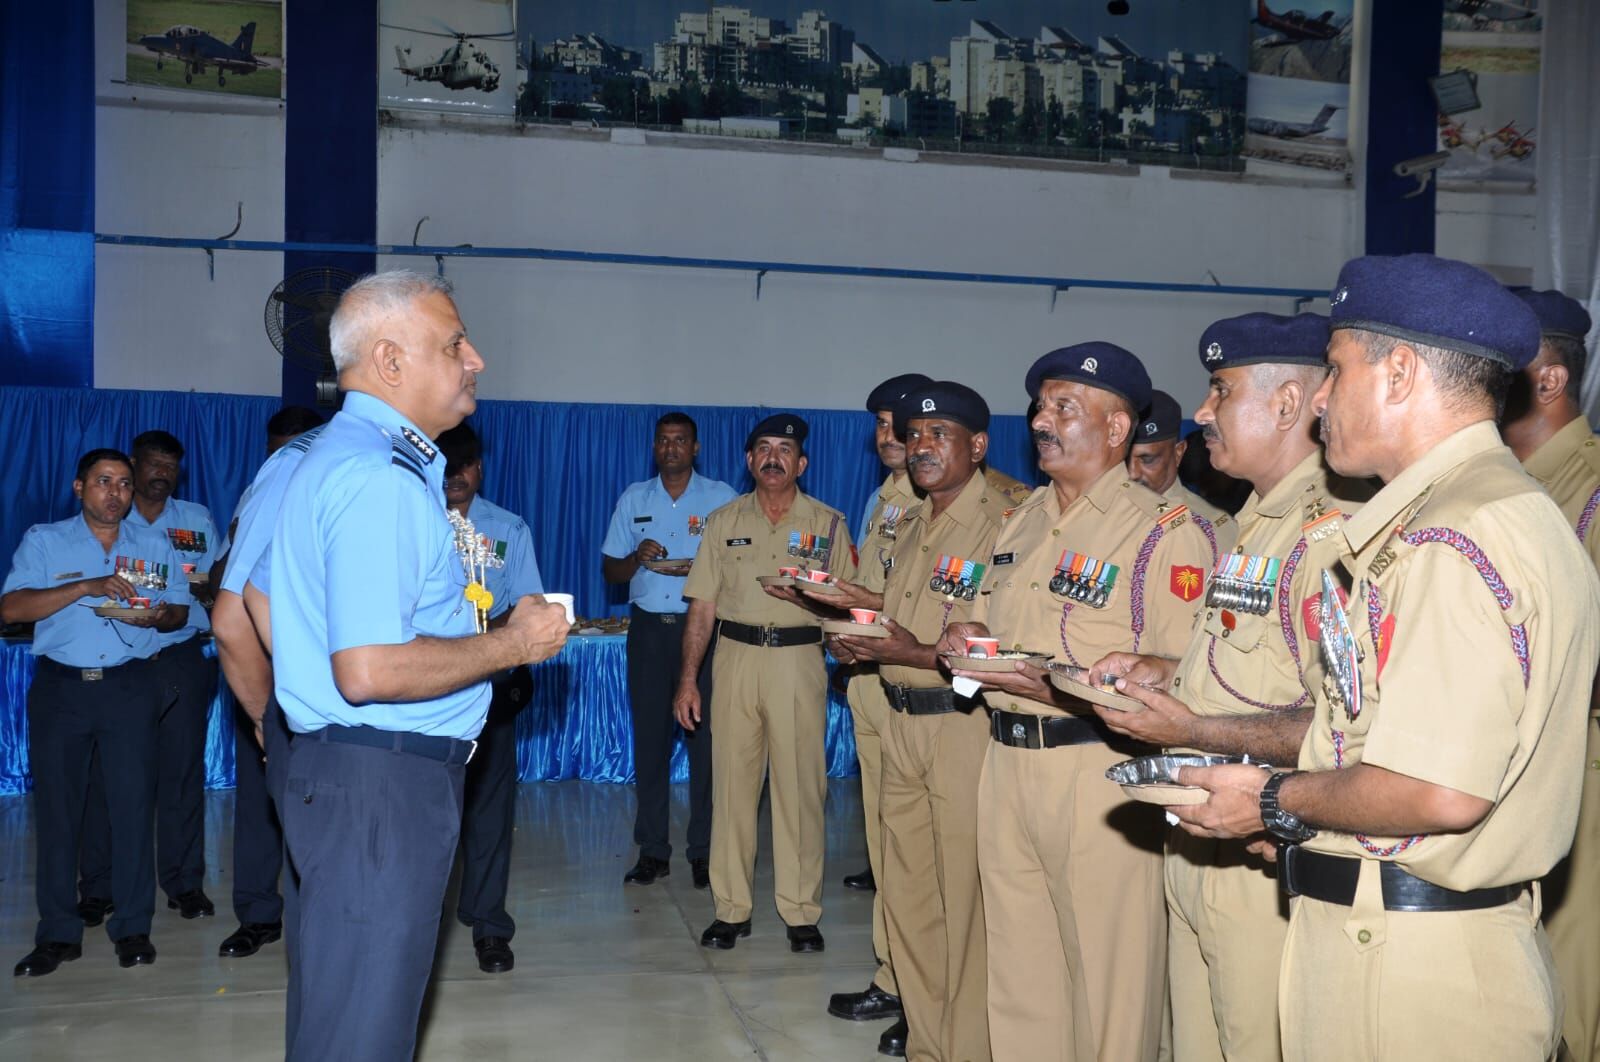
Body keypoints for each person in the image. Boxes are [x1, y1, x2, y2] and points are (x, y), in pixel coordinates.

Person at [1166, 254, 1600, 1060]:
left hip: (1403, 971)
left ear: (1398, 373)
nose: (1320, 399)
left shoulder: (1451, 537)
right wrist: (1311, 820)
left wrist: (1269, 800)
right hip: (1402, 940)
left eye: (1335, 371)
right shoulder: (1493, 511)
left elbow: (1436, 792)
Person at [264, 270, 570, 1060]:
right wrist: (513, 642)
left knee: (342, 1018)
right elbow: (366, 670)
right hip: (381, 789)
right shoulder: (379, 480)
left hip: (358, 776)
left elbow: (263, 604)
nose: (477, 359)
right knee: (362, 1034)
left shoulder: (337, 459)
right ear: (391, 361)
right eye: (454, 342)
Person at [1091, 312, 1369, 1062]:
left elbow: (1343, 725)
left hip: (1264, 853)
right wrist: (1163, 667)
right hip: (1198, 840)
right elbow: (1248, 668)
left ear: (1286, 404)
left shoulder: (1331, 536)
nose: (1203, 411)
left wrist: (1191, 729)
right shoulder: (1254, 526)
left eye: (1221, 390)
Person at [940, 342, 1214, 1061]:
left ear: (1118, 429)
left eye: (1066, 407)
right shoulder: (1021, 521)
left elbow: (1191, 671)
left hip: (1097, 775)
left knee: (1109, 981)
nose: (1041, 420)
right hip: (1006, 761)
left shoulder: (1162, 533)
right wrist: (967, 630)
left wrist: (1140, 669)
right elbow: (982, 620)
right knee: (1021, 973)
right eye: (1040, 406)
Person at [829, 381, 1007, 1061]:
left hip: (958, 723)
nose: (922, 447)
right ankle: (930, 1043)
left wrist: (908, 648)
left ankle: (968, 1046)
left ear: (978, 446)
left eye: (940, 435)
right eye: (916, 436)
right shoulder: (912, 520)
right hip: (900, 718)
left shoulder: (1003, 523)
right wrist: (858, 621)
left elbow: (998, 641)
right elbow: (908, 611)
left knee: (962, 906)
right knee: (907, 900)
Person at [5, 449, 192, 975]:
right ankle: (58, 934)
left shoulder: (154, 543)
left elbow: (178, 608)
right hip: (63, 691)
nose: (116, 493)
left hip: (130, 689)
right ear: (78, 487)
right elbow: (12, 608)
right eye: (104, 482)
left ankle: (133, 928)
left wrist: (157, 618)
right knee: (60, 815)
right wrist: (86, 586)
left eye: (125, 484)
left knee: (133, 811)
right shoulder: (45, 540)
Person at [675, 413, 854, 953]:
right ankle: (731, 909)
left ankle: (801, 911)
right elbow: (702, 606)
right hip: (735, 659)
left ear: (801, 463)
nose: (773, 458)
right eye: (763, 449)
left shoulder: (828, 523)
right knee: (731, 786)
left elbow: (850, 601)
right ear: (749, 460)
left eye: (785, 450)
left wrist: (823, 614)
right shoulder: (723, 521)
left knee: (801, 787)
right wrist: (688, 680)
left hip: (798, 662)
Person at [1499, 286, 1599, 1062]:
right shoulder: (1500, 490)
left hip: (1581, 788)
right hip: (1501, 783)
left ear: (1550, 378)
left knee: (1570, 1004)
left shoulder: (1592, 494)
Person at [78, 431, 224, 922]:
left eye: (171, 466)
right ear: (134, 467)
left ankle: (184, 884)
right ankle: (100, 886)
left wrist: (200, 596)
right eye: (153, 465)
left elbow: (211, 584)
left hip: (182, 656)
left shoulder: (197, 520)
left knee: (183, 775)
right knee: (108, 777)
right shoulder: (113, 521)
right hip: (124, 660)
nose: (162, 473)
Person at [833, 373, 930, 1042]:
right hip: (872, 678)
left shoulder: (959, 502)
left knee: (923, 851)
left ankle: (921, 993)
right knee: (884, 838)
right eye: (880, 426)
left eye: (897, 425)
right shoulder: (886, 500)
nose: (886, 437)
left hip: (923, 686)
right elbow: (883, 585)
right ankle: (893, 972)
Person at [602, 412, 736, 890]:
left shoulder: (721, 499)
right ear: (654, 448)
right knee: (651, 742)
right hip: (650, 634)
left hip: (703, 631)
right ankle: (653, 850)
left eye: (680, 441)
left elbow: (738, 567)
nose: (671, 448)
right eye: (663, 441)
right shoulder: (635, 498)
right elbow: (611, 572)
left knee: (706, 746)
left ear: (695, 448)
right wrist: (635, 558)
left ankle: (704, 850)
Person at [212, 406, 323, 961]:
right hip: (264, 668)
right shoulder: (263, 490)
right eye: (278, 452)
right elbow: (225, 591)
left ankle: (314, 917)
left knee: (316, 806)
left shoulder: (331, 488)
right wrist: (261, 714)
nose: (287, 462)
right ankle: (258, 914)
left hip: (328, 673)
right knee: (259, 799)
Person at [438, 421, 547, 974]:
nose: (457, 475)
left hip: (487, 687)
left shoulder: (508, 529)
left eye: (466, 464)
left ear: (479, 468)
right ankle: (416, 927)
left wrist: (496, 632)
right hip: (422, 686)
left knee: (488, 809)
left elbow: (528, 609)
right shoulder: (410, 522)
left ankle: (489, 924)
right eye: (446, 462)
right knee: (427, 811)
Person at [1128, 389, 1236, 561]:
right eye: (1124, 459)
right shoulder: (1101, 513)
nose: (1132, 473)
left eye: (1147, 460)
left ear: (1178, 453)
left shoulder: (1214, 527)